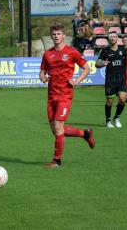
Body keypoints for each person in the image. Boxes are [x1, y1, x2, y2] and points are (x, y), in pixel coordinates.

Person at [39, 24, 94, 168]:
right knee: (56, 130)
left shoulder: (71, 52)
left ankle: (57, 160)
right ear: (52, 36)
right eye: (54, 34)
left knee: (58, 127)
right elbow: (42, 72)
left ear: (64, 36)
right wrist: (43, 77)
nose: (56, 36)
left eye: (59, 34)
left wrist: (77, 80)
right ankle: (86, 134)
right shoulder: (47, 54)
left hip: (65, 95)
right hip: (51, 95)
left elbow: (86, 68)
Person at [95, 31, 127, 128]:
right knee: (110, 101)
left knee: (122, 99)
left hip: (121, 78)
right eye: (111, 37)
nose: (112, 38)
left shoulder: (122, 49)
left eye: (114, 37)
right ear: (109, 39)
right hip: (110, 79)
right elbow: (97, 64)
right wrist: (103, 64)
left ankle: (116, 118)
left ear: (117, 38)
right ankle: (108, 121)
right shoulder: (105, 51)